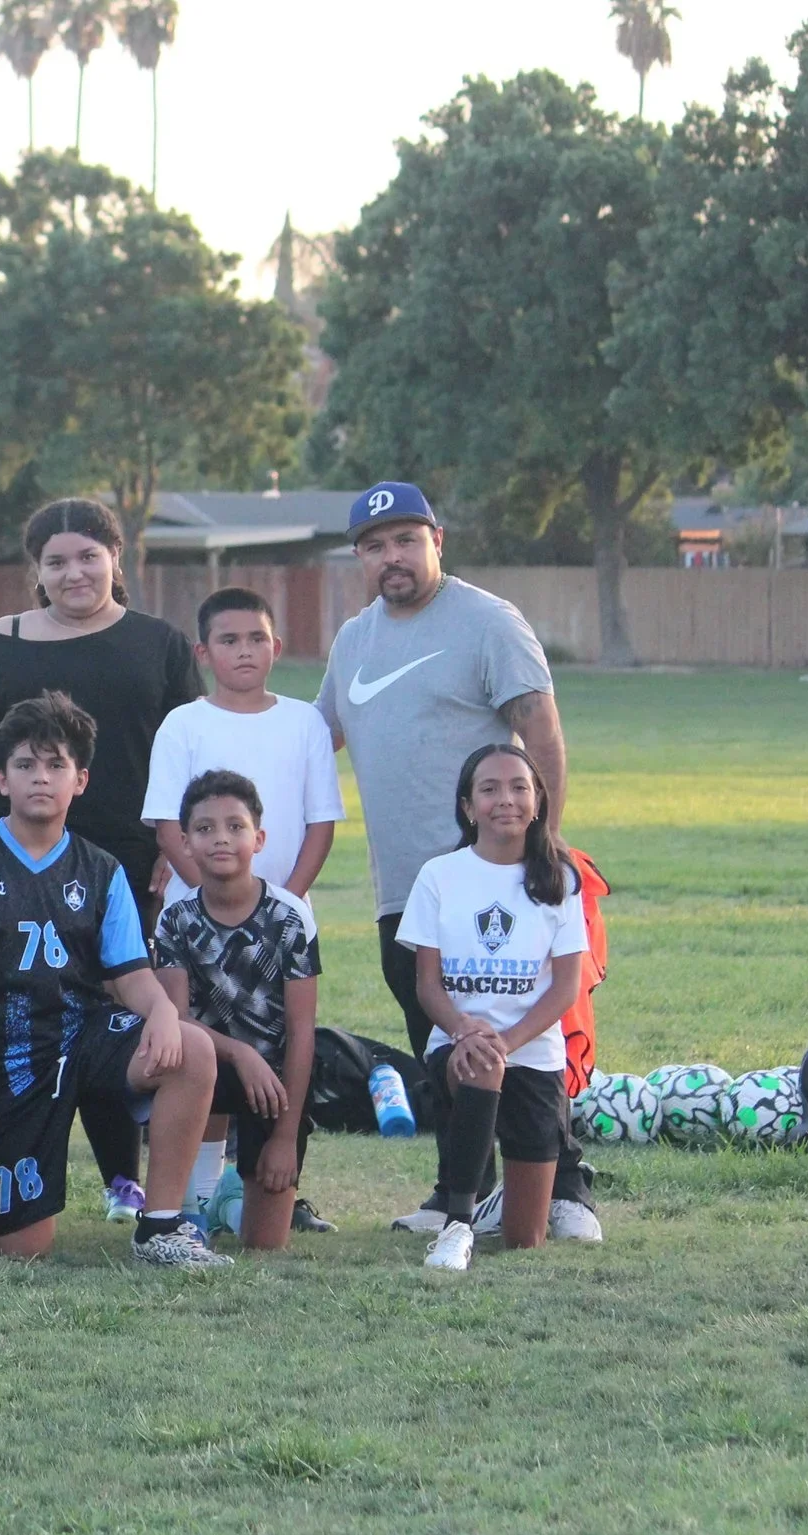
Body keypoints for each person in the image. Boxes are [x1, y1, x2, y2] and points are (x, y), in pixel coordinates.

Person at [312, 482, 599, 1241]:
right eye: (375, 546)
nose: (392, 557)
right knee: (441, 1045)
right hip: (406, 887)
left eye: (407, 540)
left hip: (497, 877)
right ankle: (459, 1193)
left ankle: (564, 1188)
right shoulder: (354, 641)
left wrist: (541, 854)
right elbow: (315, 739)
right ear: (359, 557)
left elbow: (541, 731)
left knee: (524, 1038)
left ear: (437, 540)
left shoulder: (487, 621)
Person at [0, 694, 229, 1266]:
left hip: (83, 1037)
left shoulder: (101, 869)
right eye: (25, 764)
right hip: (0, 1057)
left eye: (56, 765)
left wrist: (162, 1012)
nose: (41, 777)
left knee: (192, 1049)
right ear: (1, 779)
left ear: (79, 781)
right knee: (22, 1250)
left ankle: (160, 1227)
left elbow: (131, 975)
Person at [141, 586, 342, 1211]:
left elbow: (321, 823)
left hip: (278, 927)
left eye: (257, 638)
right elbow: (167, 825)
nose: (245, 651)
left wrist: (279, 905)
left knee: (279, 1046)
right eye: (229, 640)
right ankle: (197, 1196)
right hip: (198, 925)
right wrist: (216, 903)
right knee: (201, 1048)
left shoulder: (304, 722)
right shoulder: (184, 723)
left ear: (276, 646)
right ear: (204, 653)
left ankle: (264, 1179)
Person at [0, 498, 203, 935]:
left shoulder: (160, 644)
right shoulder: (1, 643)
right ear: (38, 571)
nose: (74, 573)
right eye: (56, 562)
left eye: (88, 557)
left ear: (115, 556)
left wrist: (179, 846)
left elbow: (194, 757)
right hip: (15, 859)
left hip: (133, 860)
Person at [398, 744, 589, 1273]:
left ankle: (494, 1208)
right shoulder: (439, 875)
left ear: (537, 801)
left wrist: (507, 1041)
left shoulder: (561, 878)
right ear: (467, 807)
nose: (505, 799)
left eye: (518, 787)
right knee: (483, 1064)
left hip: (531, 1052)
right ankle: (457, 1225)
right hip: (459, 1048)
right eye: (489, 789)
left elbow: (565, 988)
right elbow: (427, 985)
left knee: (526, 1239)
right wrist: (463, 1029)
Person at [151, 771, 323, 1252]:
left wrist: (285, 1136)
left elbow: (302, 1031)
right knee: (178, 1062)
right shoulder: (176, 919)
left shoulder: (290, 917)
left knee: (264, 1244)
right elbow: (176, 1018)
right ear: (185, 843)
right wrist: (240, 1054)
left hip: (274, 1083)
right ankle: (189, 1199)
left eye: (235, 826)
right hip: (204, 1067)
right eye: (205, 828)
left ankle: (229, 1198)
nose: (221, 838)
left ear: (259, 839)